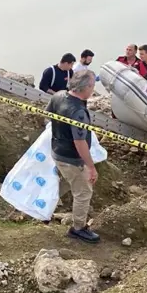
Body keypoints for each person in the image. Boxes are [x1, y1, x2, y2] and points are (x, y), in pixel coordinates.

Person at [47, 70, 101, 243]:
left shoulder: (58, 96)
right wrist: (91, 167)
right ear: (86, 87)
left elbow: (48, 116)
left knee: (65, 182)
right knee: (83, 192)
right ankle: (78, 228)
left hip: (57, 150)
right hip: (72, 158)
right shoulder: (78, 112)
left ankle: (45, 209)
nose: (93, 90)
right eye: (93, 86)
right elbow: (80, 142)